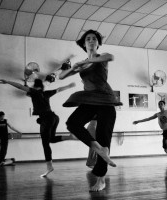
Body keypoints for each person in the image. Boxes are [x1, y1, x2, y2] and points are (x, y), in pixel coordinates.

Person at [59, 29, 122, 191]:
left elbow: (111, 57)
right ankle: (96, 147)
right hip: (89, 100)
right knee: (72, 123)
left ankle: (100, 180)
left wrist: (91, 61)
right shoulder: (82, 63)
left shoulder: (102, 58)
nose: (92, 41)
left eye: (94, 39)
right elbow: (61, 77)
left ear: (98, 43)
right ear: (84, 43)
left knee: (104, 137)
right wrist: (76, 66)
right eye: (88, 39)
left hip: (106, 100)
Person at [0, 78, 75, 177]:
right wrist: (69, 86)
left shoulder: (34, 92)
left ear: (35, 86)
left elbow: (20, 86)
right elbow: (59, 89)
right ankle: (69, 137)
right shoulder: (46, 93)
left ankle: (49, 167)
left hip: (46, 118)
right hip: (54, 117)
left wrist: (8, 81)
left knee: (45, 143)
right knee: (50, 139)